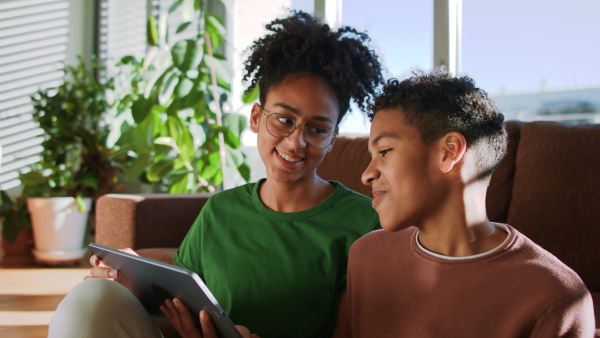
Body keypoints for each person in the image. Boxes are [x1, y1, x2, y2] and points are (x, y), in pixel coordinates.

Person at [48, 10, 383, 338]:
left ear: (332, 138)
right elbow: (169, 320)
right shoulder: (219, 212)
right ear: (256, 117)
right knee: (92, 299)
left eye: (318, 129)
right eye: (284, 119)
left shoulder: (363, 223)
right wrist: (131, 288)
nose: (296, 142)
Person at [330, 68, 596, 338]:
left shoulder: (554, 298)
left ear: (449, 152)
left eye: (384, 151)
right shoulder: (367, 257)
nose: (366, 174)